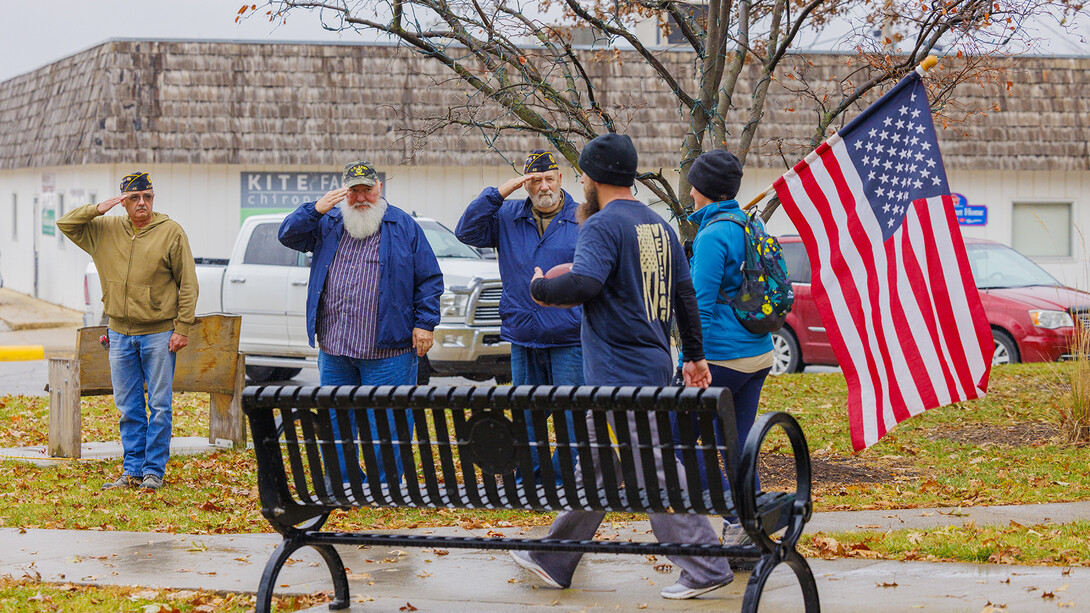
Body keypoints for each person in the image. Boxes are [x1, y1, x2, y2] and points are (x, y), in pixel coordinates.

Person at [511, 134, 734, 600]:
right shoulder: (659, 225)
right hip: (649, 364)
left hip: (617, 374)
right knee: (599, 464)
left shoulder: (601, 225)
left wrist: (539, 288)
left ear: (592, 179)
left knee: (652, 468)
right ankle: (555, 557)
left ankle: (705, 564)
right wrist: (693, 356)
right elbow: (685, 296)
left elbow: (585, 284)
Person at [278, 161, 443, 484]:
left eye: (367, 189)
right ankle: (341, 481)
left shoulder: (403, 226)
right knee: (336, 419)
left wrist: (425, 324)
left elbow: (429, 279)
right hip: (335, 347)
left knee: (388, 420)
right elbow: (287, 235)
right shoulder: (328, 223)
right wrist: (314, 209)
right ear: (344, 193)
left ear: (379, 189)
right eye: (353, 191)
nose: (361, 197)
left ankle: (385, 485)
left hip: (388, 348)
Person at [58, 172, 198, 491]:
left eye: (147, 197)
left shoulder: (171, 232)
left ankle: (153, 471)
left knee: (159, 404)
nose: (142, 204)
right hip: (119, 333)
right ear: (123, 201)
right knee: (128, 406)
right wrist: (97, 209)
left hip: (160, 333)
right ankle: (132, 469)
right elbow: (66, 224)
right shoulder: (104, 231)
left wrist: (183, 327)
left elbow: (188, 283)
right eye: (134, 198)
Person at [455, 149, 583, 480]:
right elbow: (466, 232)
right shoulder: (506, 216)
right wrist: (498, 194)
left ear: (560, 179)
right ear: (525, 185)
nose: (543, 187)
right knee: (528, 414)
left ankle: (561, 478)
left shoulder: (583, 217)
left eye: (549, 179)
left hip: (570, 335)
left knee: (571, 415)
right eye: (535, 180)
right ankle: (531, 476)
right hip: (524, 334)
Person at [677, 149, 775, 548]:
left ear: (698, 188)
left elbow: (697, 305)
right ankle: (747, 522)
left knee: (674, 442)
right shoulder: (749, 224)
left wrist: (689, 360)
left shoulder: (715, 232)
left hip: (721, 357)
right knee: (734, 443)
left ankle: (736, 515)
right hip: (758, 353)